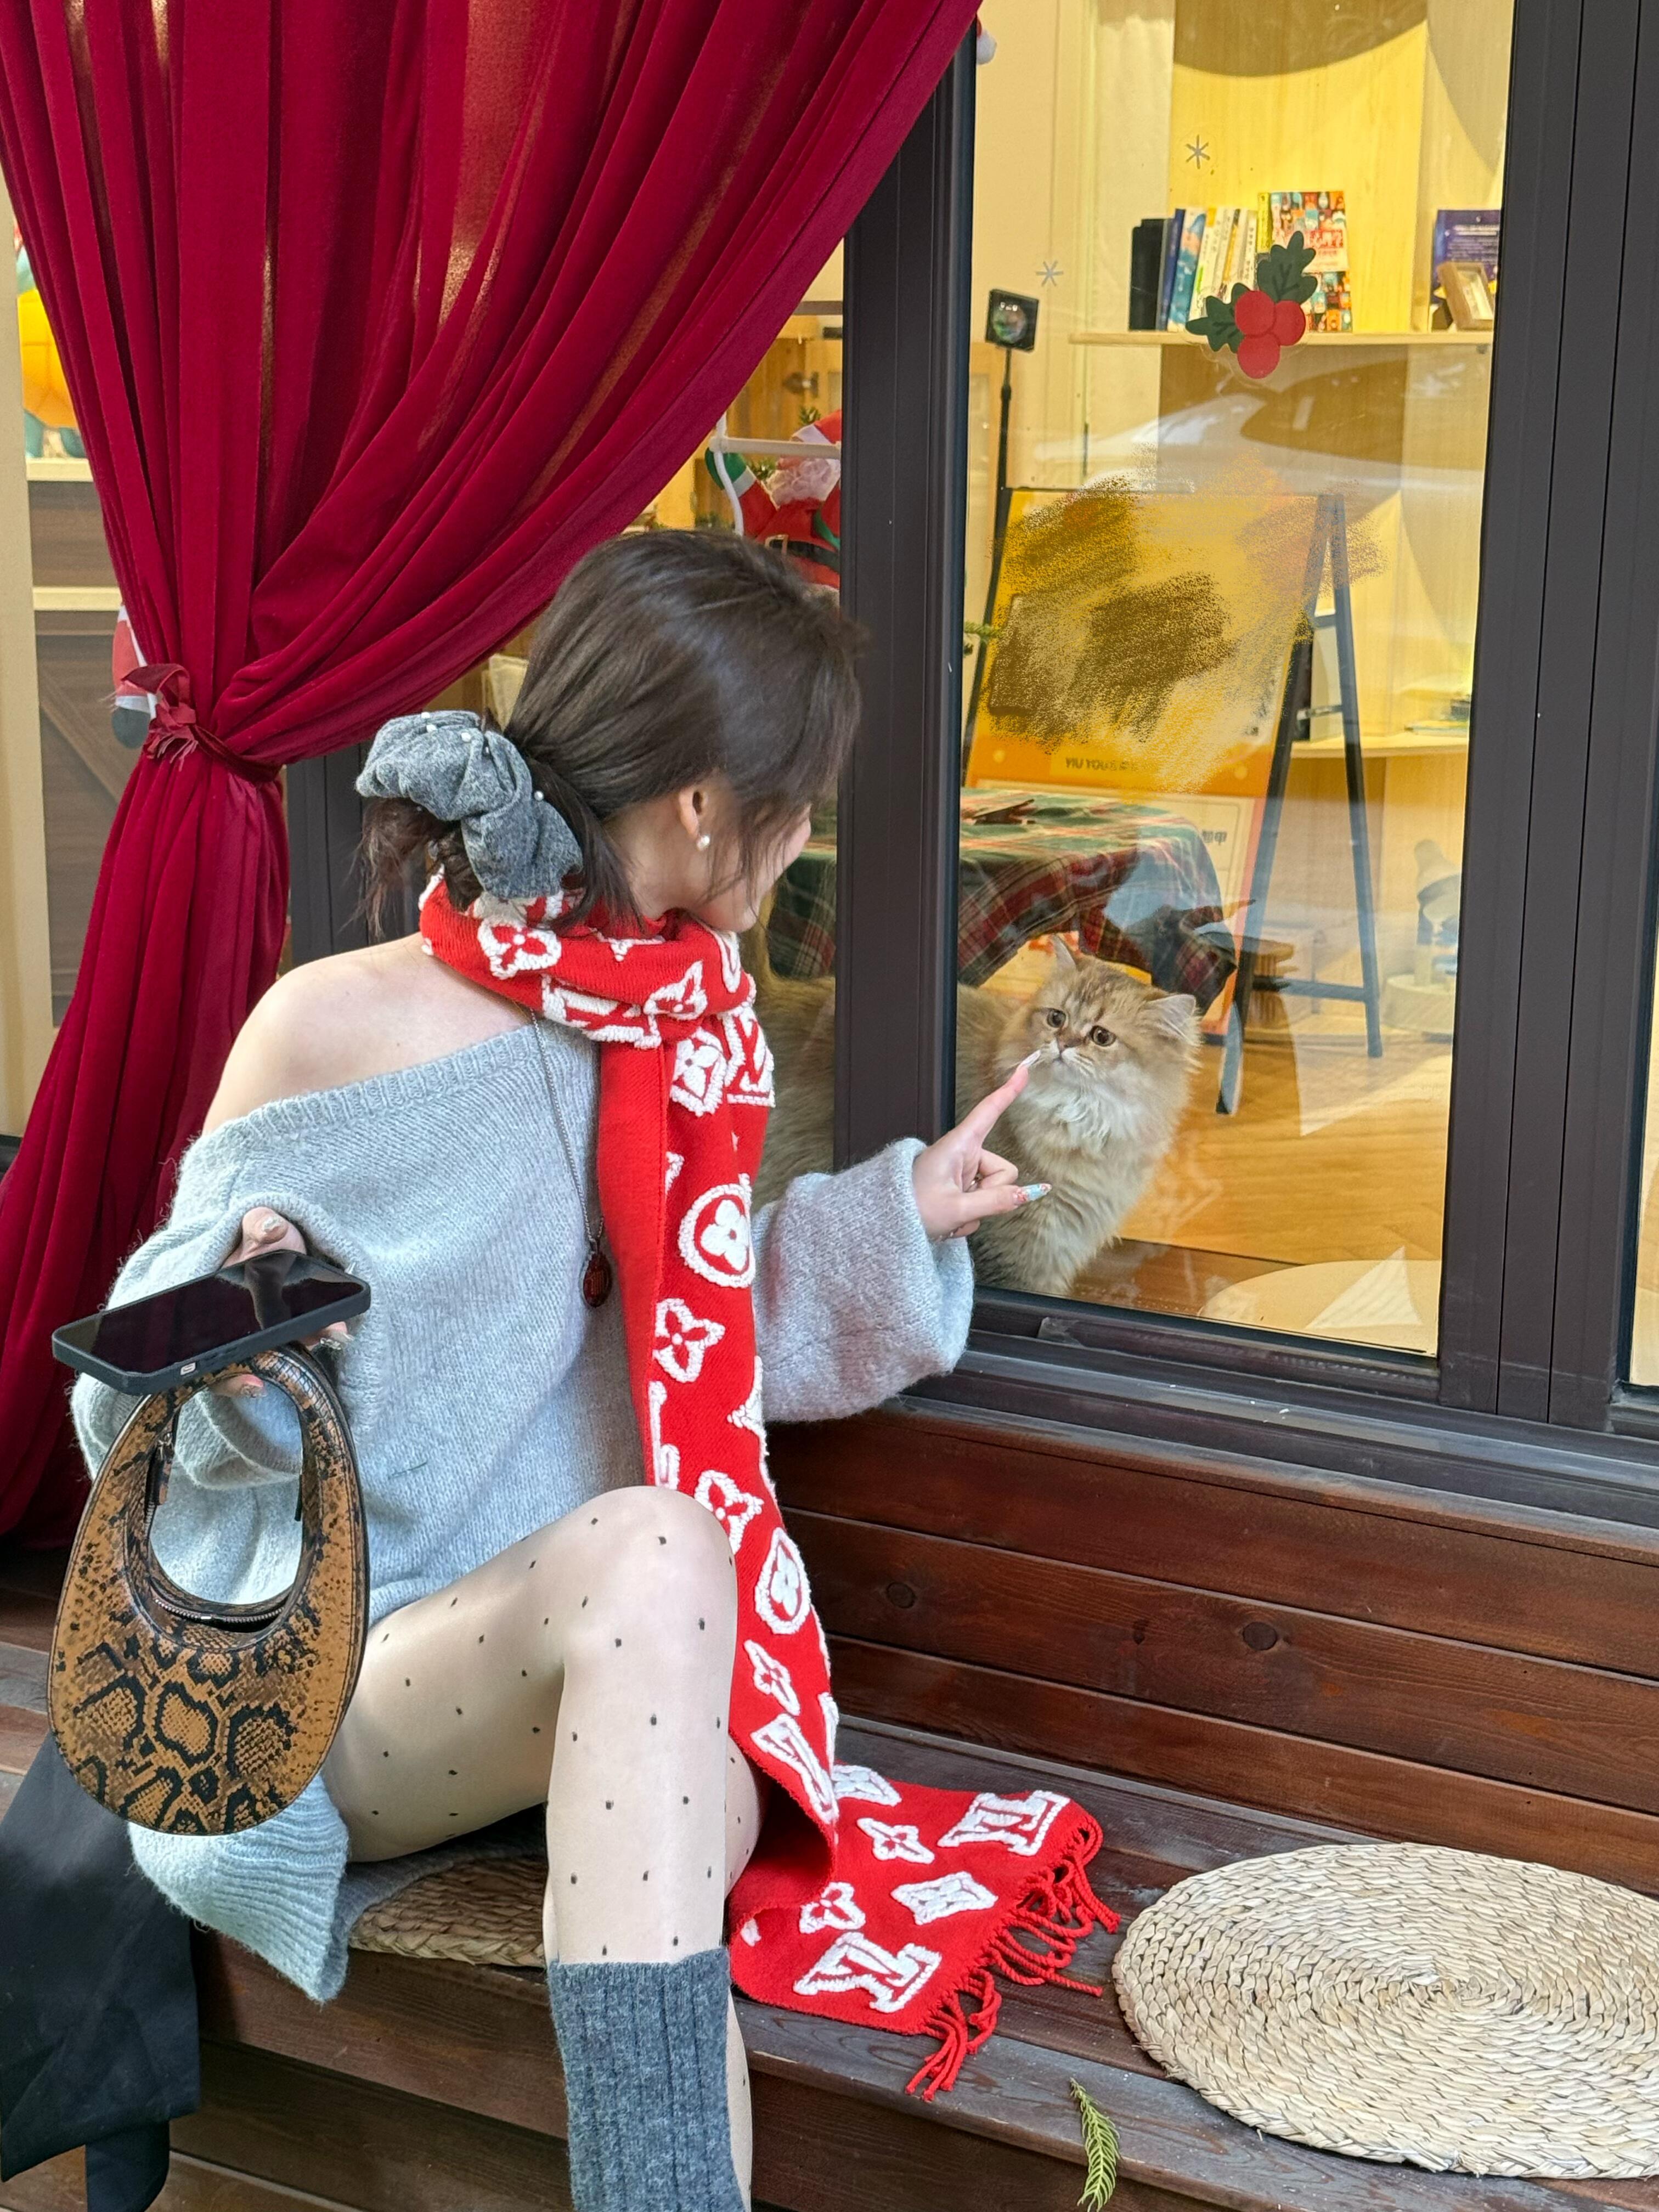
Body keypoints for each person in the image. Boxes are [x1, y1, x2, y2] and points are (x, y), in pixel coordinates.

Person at [67, 530, 1042, 2212]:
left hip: (576, 1664)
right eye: (797, 805)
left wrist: (900, 1220)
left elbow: (693, 1330)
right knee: (663, 1555)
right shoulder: (333, 1028)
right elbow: (128, 1405)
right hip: (328, 1681)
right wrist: (232, 1373)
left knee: (700, 1746)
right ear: (705, 812)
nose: (806, 837)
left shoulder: (680, 1028)